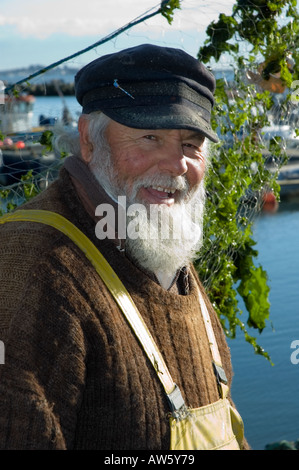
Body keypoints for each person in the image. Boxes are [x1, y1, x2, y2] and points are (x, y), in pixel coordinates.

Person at [0, 44, 248, 450]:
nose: (176, 164)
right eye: (150, 136)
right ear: (88, 140)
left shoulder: (157, 245)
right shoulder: (31, 267)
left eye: (191, 144)